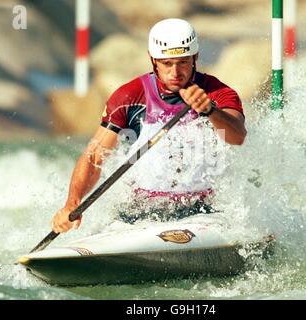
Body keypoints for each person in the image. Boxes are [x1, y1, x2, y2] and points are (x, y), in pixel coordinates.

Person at [51, 18, 247, 233]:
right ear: (153, 60)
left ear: (195, 57)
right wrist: (72, 202)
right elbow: (95, 156)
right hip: (139, 212)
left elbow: (237, 137)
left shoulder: (218, 93)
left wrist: (210, 111)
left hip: (203, 211)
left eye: (183, 62)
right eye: (167, 63)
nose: (175, 72)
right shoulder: (129, 96)